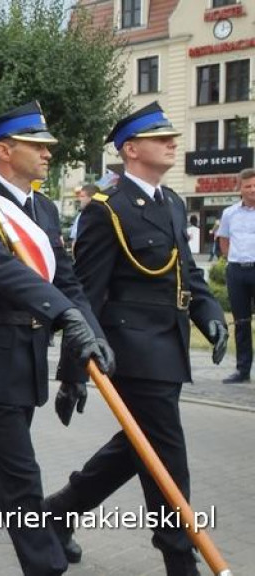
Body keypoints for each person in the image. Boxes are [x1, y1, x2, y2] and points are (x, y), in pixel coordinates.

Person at [45, 103, 228, 576]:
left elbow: (187, 273)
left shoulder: (171, 202)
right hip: (130, 352)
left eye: (172, 136)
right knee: (166, 452)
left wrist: (210, 314)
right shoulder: (107, 210)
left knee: (139, 445)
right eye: (160, 136)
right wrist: (73, 374)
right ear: (131, 149)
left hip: (169, 347)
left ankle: (57, 514)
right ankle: (179, 555)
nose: (172, 142)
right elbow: (84, 295)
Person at [0, 102, 112, 576]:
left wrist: (89, 333)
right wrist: (63, 316)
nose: (47, 153)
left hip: (28, 357)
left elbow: (67, 280)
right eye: (36, 146)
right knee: (20, 477)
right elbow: (5, 272)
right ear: (3, 151)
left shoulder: (43, 208)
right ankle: (46, 566)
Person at [216, 168, 255, 383]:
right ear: (240, 188)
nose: (252, 190)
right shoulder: (230, 213)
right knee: (241, 322)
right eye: (247, 186)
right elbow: (224, 240)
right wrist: (230, 260)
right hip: (237, 271)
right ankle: (242, 370)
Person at [69, 184, 99, 253]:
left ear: (91, 198)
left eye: (82, 196)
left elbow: (75, 242)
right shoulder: (81, 215)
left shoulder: (82, 216)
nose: (79, 199)